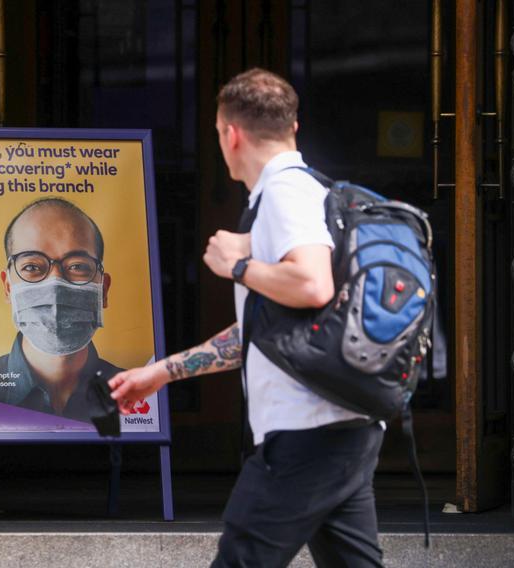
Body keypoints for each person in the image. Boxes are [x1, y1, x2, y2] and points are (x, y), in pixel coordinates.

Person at [109, 68, 386, 567]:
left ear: (229, 134)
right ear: (293, 128)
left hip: (304, 435)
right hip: (343, 428)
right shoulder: (309, 191)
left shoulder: (285, 195)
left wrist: (236, 264)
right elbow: (263, 331)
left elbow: (312, 283)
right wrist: (163, 372)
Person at [0, 197, 122, 424]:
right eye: (32, 267)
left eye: (77, 266)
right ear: (8, 287)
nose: (55, 284)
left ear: (103, 290)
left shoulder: (138, 392)